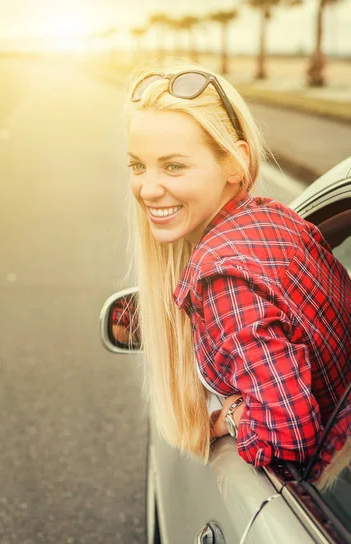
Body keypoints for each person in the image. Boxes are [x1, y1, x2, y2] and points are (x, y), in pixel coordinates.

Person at [123, 61, 351, 485]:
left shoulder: (224, 280)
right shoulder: (278, 220)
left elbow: (286, 434)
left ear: (235, 162)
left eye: (173, 166)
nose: (148, 189)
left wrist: (229, 416)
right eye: (138, 165)